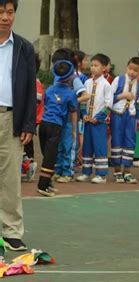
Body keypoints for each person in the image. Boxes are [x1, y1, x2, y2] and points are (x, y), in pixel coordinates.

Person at [0, 0, 37, 251]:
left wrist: (27, 123)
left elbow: (30, 88)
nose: (5, 17)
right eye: (1, 11)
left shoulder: (23, 47)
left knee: (10, 178)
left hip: (10, 119)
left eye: (10, 12)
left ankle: (11, 230)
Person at [37, 61, 78, 197]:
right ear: (70, 76)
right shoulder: (71, 93)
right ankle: (42, 186)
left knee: (47, 155)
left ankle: (48, 183)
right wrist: (73, 130)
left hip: (44, 124)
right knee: (51, 156)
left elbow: (45, 104)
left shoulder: (49, 89)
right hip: (55, 126)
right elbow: (73, 112)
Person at [51, 48, 89, 183]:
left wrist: (71, 101)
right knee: (59, 145)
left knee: (68, 145)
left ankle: (68, 172)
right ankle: (58, 170)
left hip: (69, 119)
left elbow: (86, 96)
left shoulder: (74, 78)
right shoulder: (56, 76)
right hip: (57, 118)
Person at [75, 54, 113, 184]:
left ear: (104, 68)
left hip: (99, 123)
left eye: (96, 65)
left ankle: (101, 174)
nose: (92, 68)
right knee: (87, 146)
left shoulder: (106, 85)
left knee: (100, 146)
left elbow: (109, 105)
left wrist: (99, 117)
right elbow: (84, 100)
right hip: (88, 121)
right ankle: (86, 172)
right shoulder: (87, 82)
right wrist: (84, 114)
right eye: (92, 65)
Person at [110, 57, 139, 184]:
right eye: (130, 69)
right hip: (117, 114)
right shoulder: (118, 80)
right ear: (126, 67)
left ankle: (127, 171)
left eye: (135, 70)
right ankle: (117, 171)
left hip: (130, 116)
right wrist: (123, 95)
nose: (132, 72)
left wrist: (138, 119)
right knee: (117, 141)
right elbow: (109, 97)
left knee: (130, 142)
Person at [22, 53, 43, 183]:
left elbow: (35, 103)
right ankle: (27, 165)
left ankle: (29, 165)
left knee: (26, 144)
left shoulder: (36, 83)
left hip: (30, 119)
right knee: (23, 144)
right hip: (25, 118)